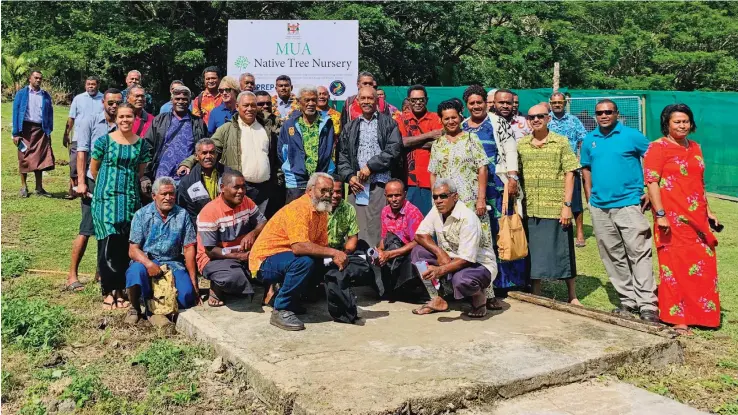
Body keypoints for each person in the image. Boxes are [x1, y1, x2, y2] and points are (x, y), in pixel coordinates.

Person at [644, 104, 720, 334]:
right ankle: (678, 319)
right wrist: (660, 214)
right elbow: (652, 182)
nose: (682, 125)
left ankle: (702, 316)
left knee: (703, 266)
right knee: (674, 267)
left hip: (697, 219)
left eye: (685, 121)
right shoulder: (657, 148)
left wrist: (708, 211)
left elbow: (699, 182)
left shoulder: (695, 147)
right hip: (672, 219)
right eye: (677, 121)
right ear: (667, 123)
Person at [581, 99, 658, 322]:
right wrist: (589, 197)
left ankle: (647, 304)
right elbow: (586, 168)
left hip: (629, 205)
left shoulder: (632, 136)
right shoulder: (590, 139)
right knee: (612, 255)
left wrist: (651, 191)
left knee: (638, 253)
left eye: (608, 112)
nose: (603, 115)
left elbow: (654, 160)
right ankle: (628, 300)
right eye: (599, 112)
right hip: (600, 208)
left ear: (617, 113)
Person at [249, 173, 348, 331]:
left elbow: (320, 246)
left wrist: (333, 256)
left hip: (286, 258)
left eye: (330, 191)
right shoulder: (299, 208)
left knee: (324, 262)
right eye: (323, 190)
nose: (328, 195)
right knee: (304, 262)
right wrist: (334, 252)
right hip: (265, 261)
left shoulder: (321, 210)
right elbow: (299, 247)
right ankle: (281, 309)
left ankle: (288, 298)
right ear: (310, 190)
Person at [461, 85, 525, 307]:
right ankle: (479, 282)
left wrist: (513, 177)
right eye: (472, 103)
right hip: (471, 188)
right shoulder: (462, 127)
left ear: (485, 104)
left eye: (479, 102)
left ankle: (505, 284)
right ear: (467, 105)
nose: (476, 106)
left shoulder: (498, 122)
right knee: (478, 234)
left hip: (497, 185)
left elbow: (510, 150)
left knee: (501, 231)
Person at [90, 103, 152, 310]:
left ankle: (122, 289)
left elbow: (140, 172)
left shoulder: (141, 145)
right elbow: (94, 169)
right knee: (108, 243)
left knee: (125, 244)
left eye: (129, 117)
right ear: (115, 119)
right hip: (106, 200)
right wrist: (107, 188)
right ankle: (109, 290)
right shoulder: (103, 142)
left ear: (135, 119)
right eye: (122, 117)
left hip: (129, 200)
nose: (125, 120)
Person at [518, 104, 581, 304]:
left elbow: (570, 173)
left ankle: (572, 295)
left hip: (555, 206)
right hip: (531, 207)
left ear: (548, 119)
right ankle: (537, 293)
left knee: (563, 250)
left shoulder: (560, 142)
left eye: (540, 116)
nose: (535, 120)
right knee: (535, 252)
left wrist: (567, 204)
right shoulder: (521, 145)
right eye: (531, 117)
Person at [182, 91, 280, 214]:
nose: (250, 109)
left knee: (261, 228)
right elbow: (208, 149)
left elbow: (275, 157)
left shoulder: (266, 128)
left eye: (253, 105)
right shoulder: (226, 129)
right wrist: (188, 162)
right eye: (246, 105)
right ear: (237, 106)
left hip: (265, 190)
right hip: (239, 190)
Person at [411, 179, 495, 318]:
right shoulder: (436, 211)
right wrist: (440, 252)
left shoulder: (468, 218)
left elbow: (466, 259)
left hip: (477, 264)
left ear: (455, 197)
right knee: (418, 252)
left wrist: (440, 270)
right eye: (435, 197)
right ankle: (436, 298)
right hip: (450, 259)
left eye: (443, 196)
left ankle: (479, 298)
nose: (438, 201)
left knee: (462, 280)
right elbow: (420, 235)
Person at [66, 88, 121, 293]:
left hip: (112, 185)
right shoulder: (90, 121)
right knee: (87, 228)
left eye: (117, 102)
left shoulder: (121, 124)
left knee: (107, 229)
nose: (114, 106)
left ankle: (101, 271)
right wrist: (80, 182)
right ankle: (72, 275)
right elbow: (82, 153)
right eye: (111, 103)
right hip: (91, 182)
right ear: (103, 103)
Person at [124, 177, 199, 326]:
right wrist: (149, 264)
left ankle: (155, 306)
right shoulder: (141, 215)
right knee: (135, 271)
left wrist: (194, 282)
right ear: (154, 196)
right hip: (148, 260)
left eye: (171, 194)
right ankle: (135, 308)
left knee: (187, 297)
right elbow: (133, 250)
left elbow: (189, 248)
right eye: (164, 194)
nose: (168, 198)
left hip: (173, 262)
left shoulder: (182, 215)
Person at [337, 86, 402, 247]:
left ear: (377, 100)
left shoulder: (388, 123)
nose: (366, 102)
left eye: (370, 98)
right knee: (355, 226)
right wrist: (349, 176)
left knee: (376, 227)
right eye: (363, 98)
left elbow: (393, 150)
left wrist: (370, 167)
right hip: (356, 186)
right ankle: (356, 263)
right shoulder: (350, 127)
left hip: (379, 183)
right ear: (357, 101)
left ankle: (377, 264)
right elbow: (342, 156)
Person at [429, 99, 492, 260]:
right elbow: (433, 173)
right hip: (447, 203)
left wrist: (481, 199)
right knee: (450, 242)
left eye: (454, 117)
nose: (451, 121)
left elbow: (482, 168)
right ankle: (452, 282)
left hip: (470, 201)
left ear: (460, 117)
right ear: (441, 120)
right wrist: (435, 199)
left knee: (474, 243)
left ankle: (480, 282)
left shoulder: (471, 139)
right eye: (446, 118)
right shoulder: (437, 144)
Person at [197, 171, 267, 307]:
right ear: (222, 188)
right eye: (236, 187)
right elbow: (210, 251)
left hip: (242, 254)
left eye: (243, 187)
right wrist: (238, 256)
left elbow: (263, 222)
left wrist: (252, 233)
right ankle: (217, 287)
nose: (241, 191)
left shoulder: (246, 201)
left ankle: (242, 279)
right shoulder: (209, 212)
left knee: (272, 264)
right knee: (233, 277)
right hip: (215, 258)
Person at [279, 86, 336, 204]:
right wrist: (293, 166)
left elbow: (330, 148)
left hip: (320, 179)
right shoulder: (289, 124)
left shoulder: (326, 122)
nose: (311, 103)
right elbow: (282, 152)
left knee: (320, 216)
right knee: (295, 217)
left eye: (313, 100)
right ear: (299, 102)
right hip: (296, 181)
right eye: (307, 100)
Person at [548, 92, 588, 247]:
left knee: (576, 202)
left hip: (571, 167)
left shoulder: (574, 120)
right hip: (551, 167)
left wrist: (580, 158)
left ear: (565, 103)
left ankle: (579, 232)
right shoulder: (546, 120)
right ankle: (557, 231)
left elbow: (583, 139)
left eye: (560, 102)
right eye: (554, 102)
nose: (557, 105)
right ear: (550, 103)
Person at [145, 85, 207, 183]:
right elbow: (147, 147)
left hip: (187, 177)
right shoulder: (159, 120)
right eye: (177, 99)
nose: (181, 102)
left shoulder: (198, 123)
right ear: (171, 100)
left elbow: (203, 150)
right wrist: (146, 175)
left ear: (189, 100)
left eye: (184, 99)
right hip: (162, 176)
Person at [397, 85, 443, 215]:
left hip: (431, 179)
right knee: (410, 222)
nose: (417, 103)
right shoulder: (402, 119)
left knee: (431, 222)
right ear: (408, 100)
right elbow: (402, 142)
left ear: (426, 100)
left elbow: (439, 143)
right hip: (408, 180)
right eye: (414, 100)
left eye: (421, 100)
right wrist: (429, 135)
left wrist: (412, 141)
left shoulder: (436, 118)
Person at [376, 179, 425, 300]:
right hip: (393, 252)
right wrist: (379, 252)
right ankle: (387, 289)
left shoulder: (413, 212)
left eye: (397, 195)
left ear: (405, 194)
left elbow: (418, 242)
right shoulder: (385, 211)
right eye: (390, 196)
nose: (394, 199)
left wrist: (391, 253)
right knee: (373, 256)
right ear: (385, 196)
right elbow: (384, 238)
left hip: (408, 254)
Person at [11, 69, 55, 198]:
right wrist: (15, 133)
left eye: (40, 78)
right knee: (24, 157)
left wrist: (49, 130)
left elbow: (50, 113)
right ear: (30, 79)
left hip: (41, 130)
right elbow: (15, 113)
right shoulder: (21, 94)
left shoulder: (45, 95)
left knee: (40, 158)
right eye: (36, 78)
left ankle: (39, 188)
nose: (38, 80)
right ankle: (24, 187)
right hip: (25, 129)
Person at [177, 138, 235, 223]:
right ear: (196, 156)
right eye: (204, 153)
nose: (208, 156)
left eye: (212, 152)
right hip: (202, 226)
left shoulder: (229, 175)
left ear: (216, 154)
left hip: (228, 223)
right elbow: (188, 213)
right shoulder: (187, 182)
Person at [64, 76, 103, 199]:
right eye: (88, 84)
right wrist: (66, 134)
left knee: (93, 164)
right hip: (79, 137)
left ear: (98, 85)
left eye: (93, 84)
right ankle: (73, 189)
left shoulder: (103, 99)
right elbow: (71, 118)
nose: (91, 86)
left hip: (97, 138)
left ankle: (92, 188)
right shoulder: (78, 98)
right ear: (85, 85)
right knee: (74, 164)